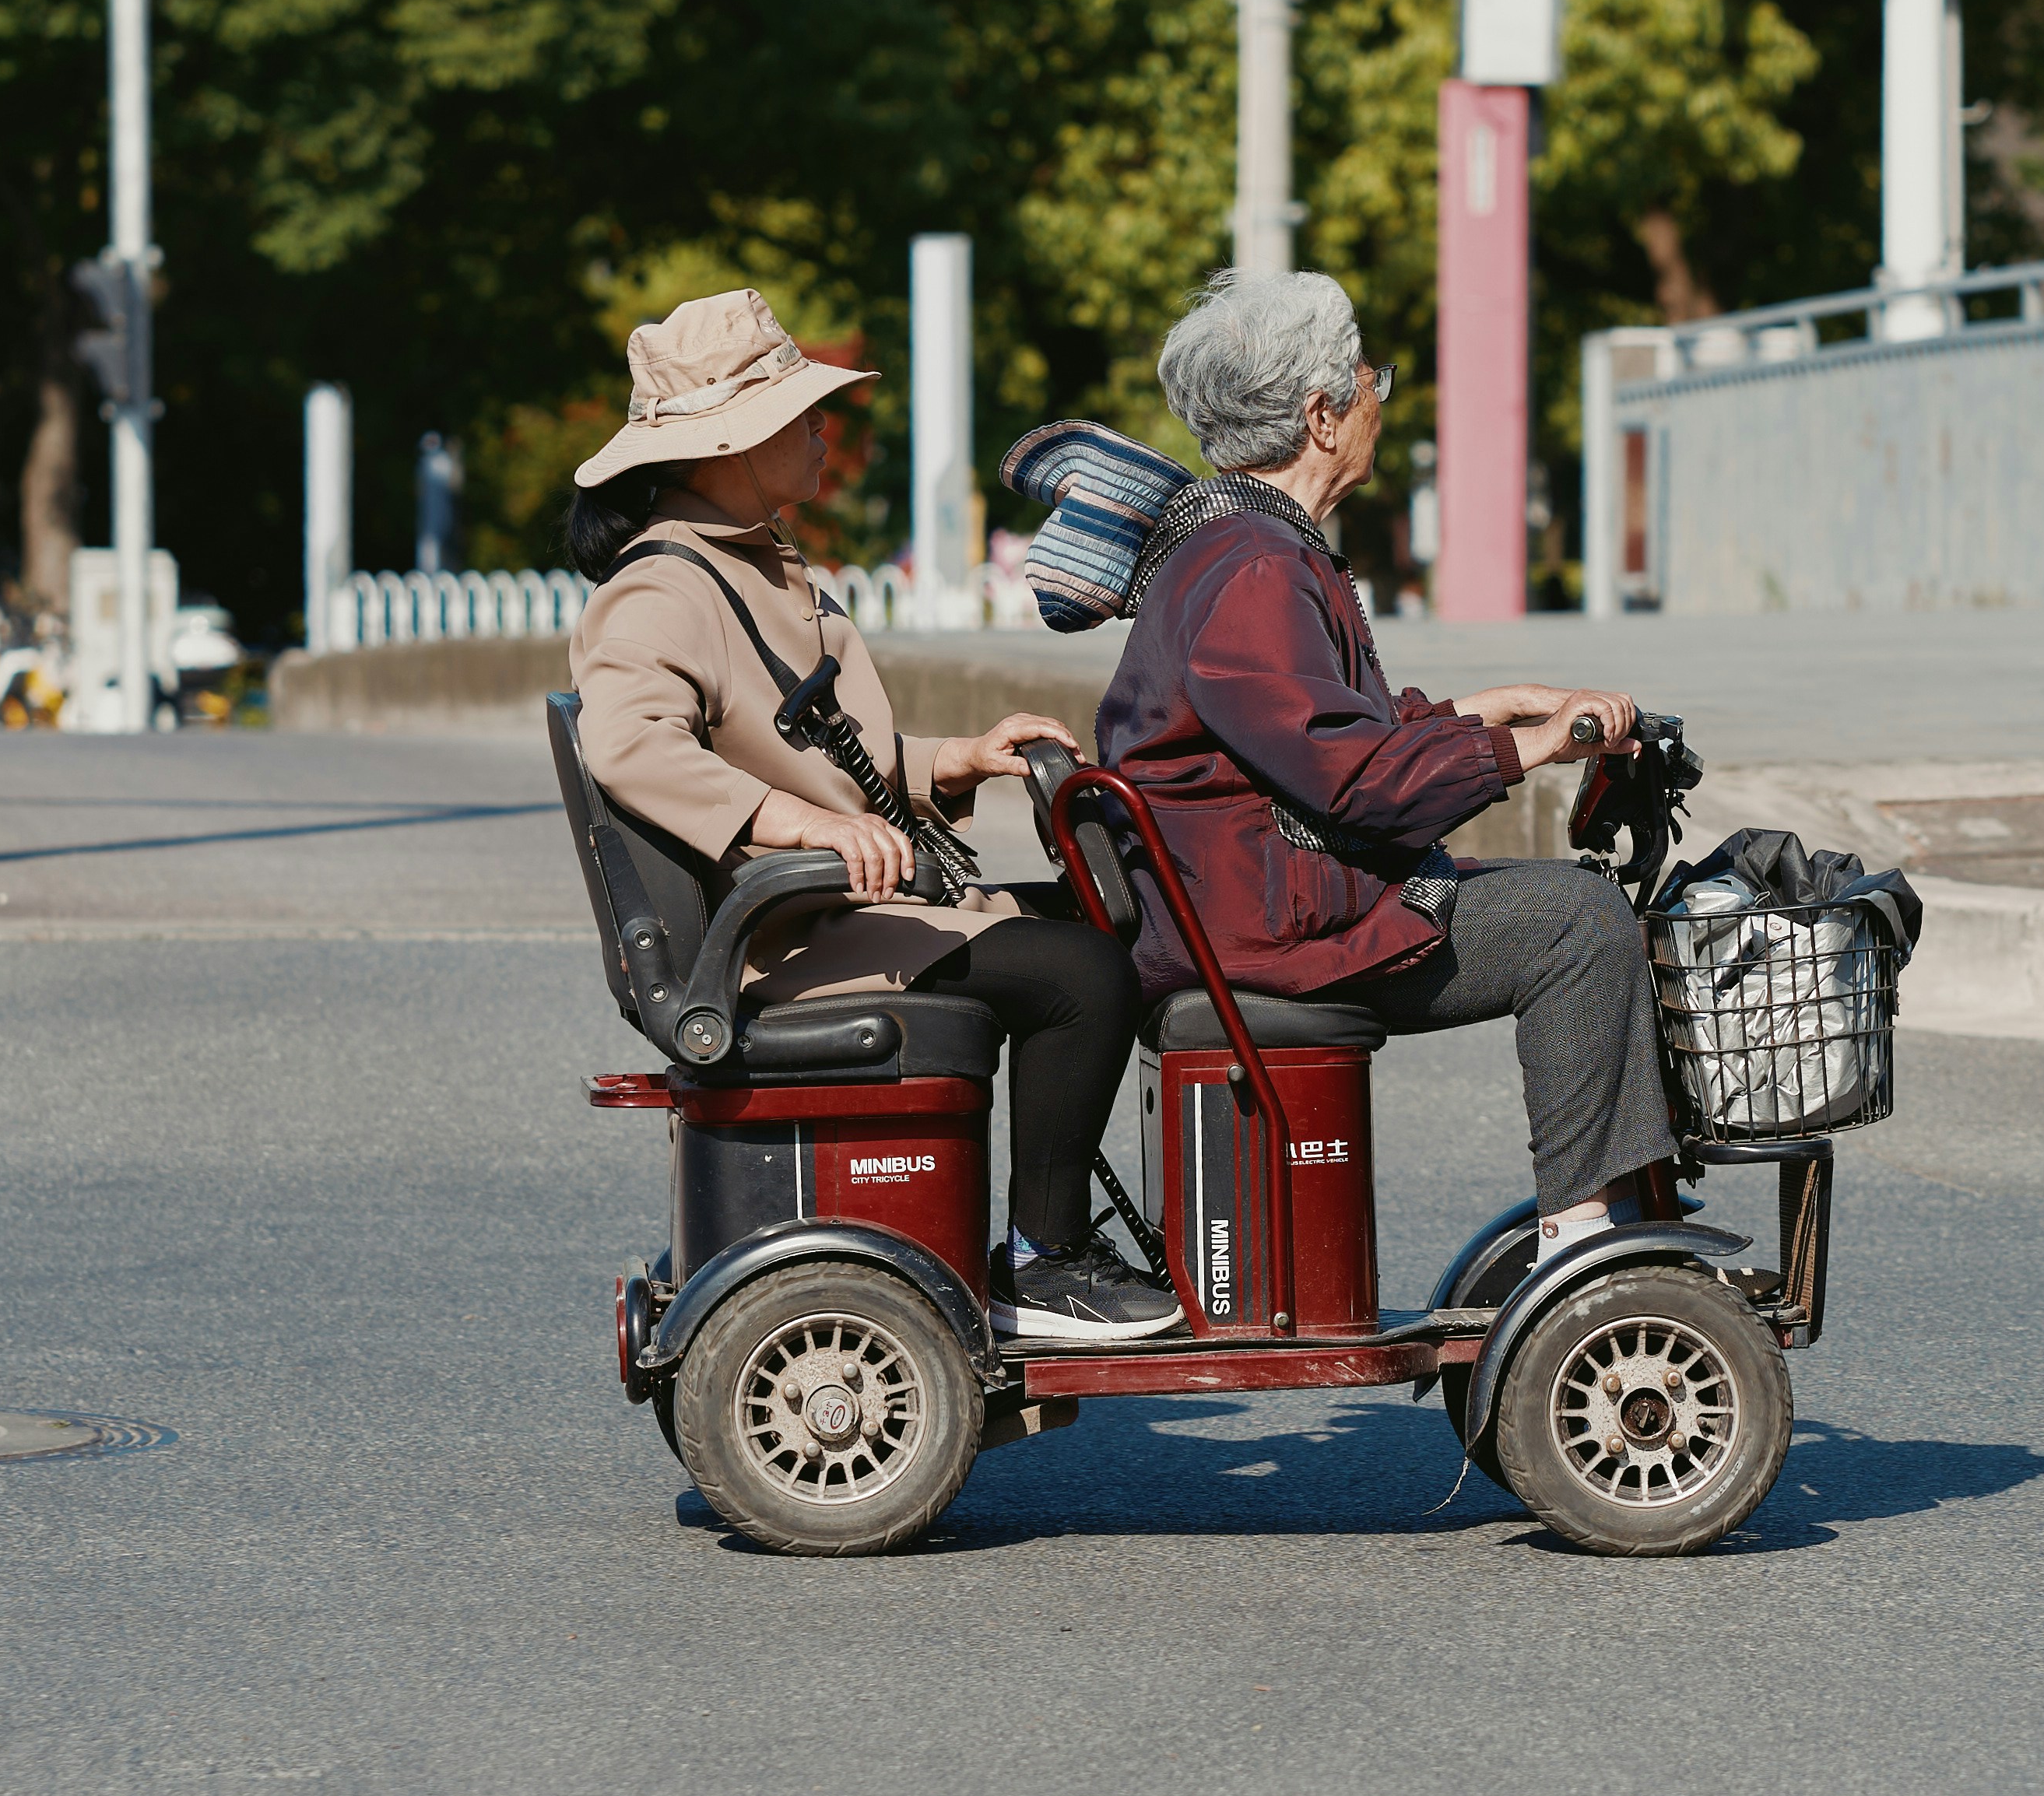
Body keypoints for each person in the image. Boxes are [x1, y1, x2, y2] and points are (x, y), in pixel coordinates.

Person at [564, 289, 1179, 1343]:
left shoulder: (745, 558)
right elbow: (630, 745)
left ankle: (1051, 1240)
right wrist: (795, 827)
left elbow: (817, 752)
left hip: (819, 912)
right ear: (732, 444)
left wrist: (958, 758)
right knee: (1083, 977)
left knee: (1097, 928)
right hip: (776, 936)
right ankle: (1044, 1258)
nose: (822, 431)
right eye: (803, 416)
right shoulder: (664, 587)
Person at [1094, 268, 1692, 1285]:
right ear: (1322, 416)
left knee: (1566, 905)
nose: (1381, 393)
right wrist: (1528, 747)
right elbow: (1350, 780)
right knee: (1579, 921)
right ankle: (1582, 1250)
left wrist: (1477, 711)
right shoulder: (1252, 566)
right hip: (1271, 925)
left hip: (1248, 896)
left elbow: (1312, 736)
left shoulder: (1233, 542)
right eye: (1371, 374)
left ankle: (1599, 1223)